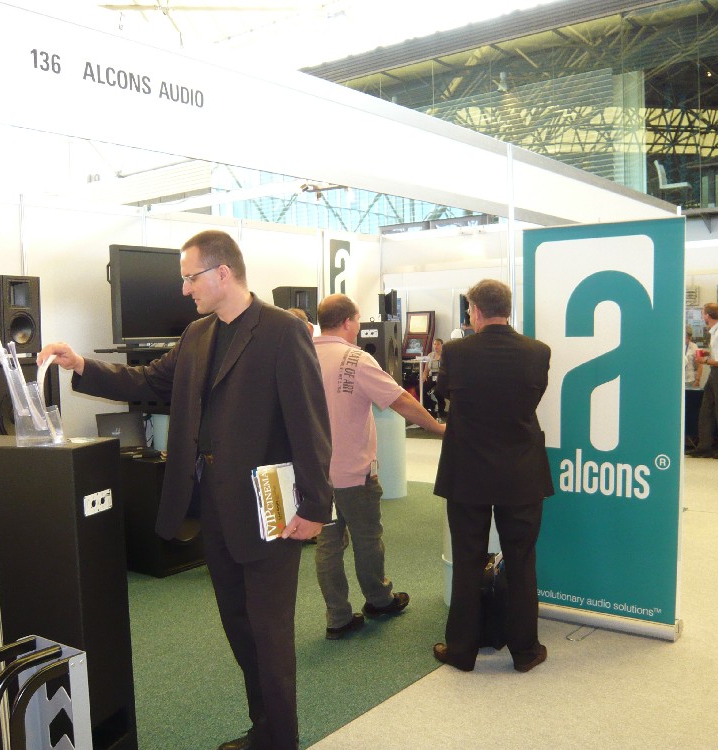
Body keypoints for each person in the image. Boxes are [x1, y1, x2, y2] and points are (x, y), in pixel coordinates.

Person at [38, 229, 333, 750]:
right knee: (239, 627)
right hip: (213, 509)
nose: (184, 289)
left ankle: (282, 739)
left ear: (223, 273)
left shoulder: (282, 331)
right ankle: (263, 729)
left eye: (190, 277)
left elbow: (309, 423)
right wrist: (81, 366)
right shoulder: (198, 334)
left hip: (270, 511)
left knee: (269, 635)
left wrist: (315, 506)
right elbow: (148, 381)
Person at [431, 279, 553, 673]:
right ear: (508, 308)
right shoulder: (538, 352)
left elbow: (444, 393)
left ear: (476, 310)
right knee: (521, 561)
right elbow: (532, 397)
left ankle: (461, 651)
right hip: (521, 471)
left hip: (467, 471)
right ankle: (525, 651)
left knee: (467, 559)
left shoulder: (455, 352)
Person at [313, 294, 445, 639]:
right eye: (357, 320)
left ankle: (337, 618)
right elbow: (401, 400)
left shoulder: (301, 356)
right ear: (348, 322)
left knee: (328, 545)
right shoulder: (356, 359)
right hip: (353, 473)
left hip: (314, 476)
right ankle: (379, 600)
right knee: (367, 539)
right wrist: (438, 428)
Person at [688, 302, 718, 459]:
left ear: (707, 316)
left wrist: (704, 361)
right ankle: (704, 446)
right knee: (706, 409)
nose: (703, 316)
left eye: (703, 313)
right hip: (717, 373)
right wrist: (708, 353)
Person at [422, 337, 446, 421]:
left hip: (442, 377)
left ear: (442, 345)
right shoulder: (430, 355)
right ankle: (431, 404)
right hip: (431, 376)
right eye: (434, 344)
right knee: (420, 389)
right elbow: (426, 369)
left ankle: (441, 410)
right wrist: (424, 375)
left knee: (437, 392)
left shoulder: (445, 355)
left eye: (438, 344)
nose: (436, 346)